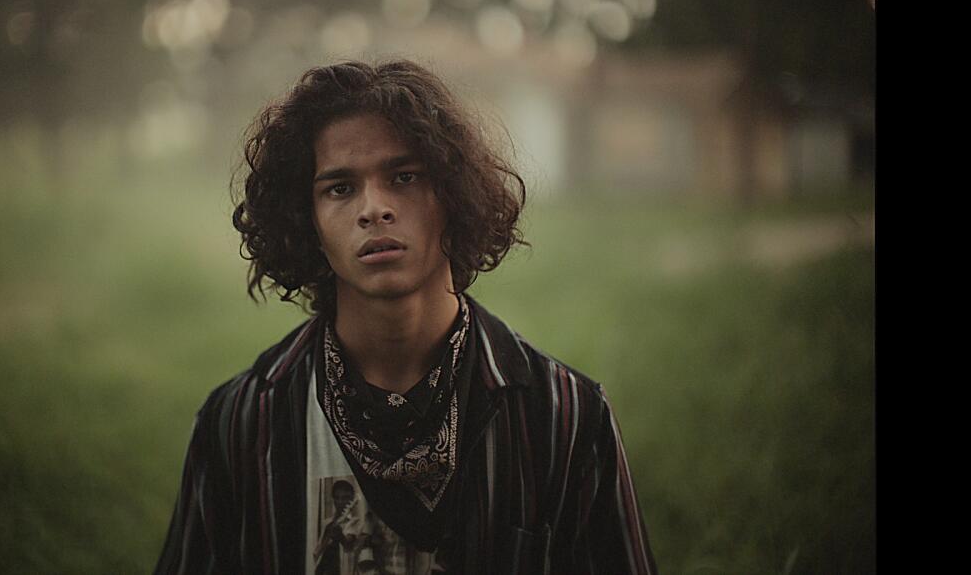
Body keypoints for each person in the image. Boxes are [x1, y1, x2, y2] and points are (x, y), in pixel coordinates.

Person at [154, 59, 658, 574]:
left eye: (404, 177)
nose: (374, 208)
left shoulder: (564, 418)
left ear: (454, 196)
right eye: (340, 188)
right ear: (308, 221)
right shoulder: (241, 423)